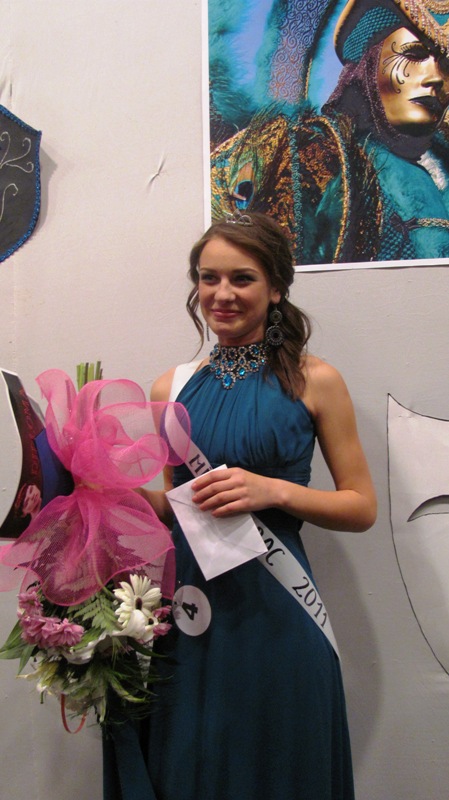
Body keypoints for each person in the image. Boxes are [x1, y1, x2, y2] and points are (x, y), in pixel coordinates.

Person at [105, 211, 375, 800]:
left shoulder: (315, 380)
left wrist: (274, 490)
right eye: (209, 278)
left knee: (276, 764)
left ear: (276, 288)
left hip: (278, 608)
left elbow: (361, 507)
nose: (221, 294)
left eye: (242, 278)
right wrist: (102, 492)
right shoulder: (170, 387)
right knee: (191, 764)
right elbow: (174, 508)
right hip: (189, 609)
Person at [209, 0, 449, 265]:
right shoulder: (312, 160)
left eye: (447, 66)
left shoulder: (442, 171)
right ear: (368, 66)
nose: (436, 78)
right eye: (414, 54)